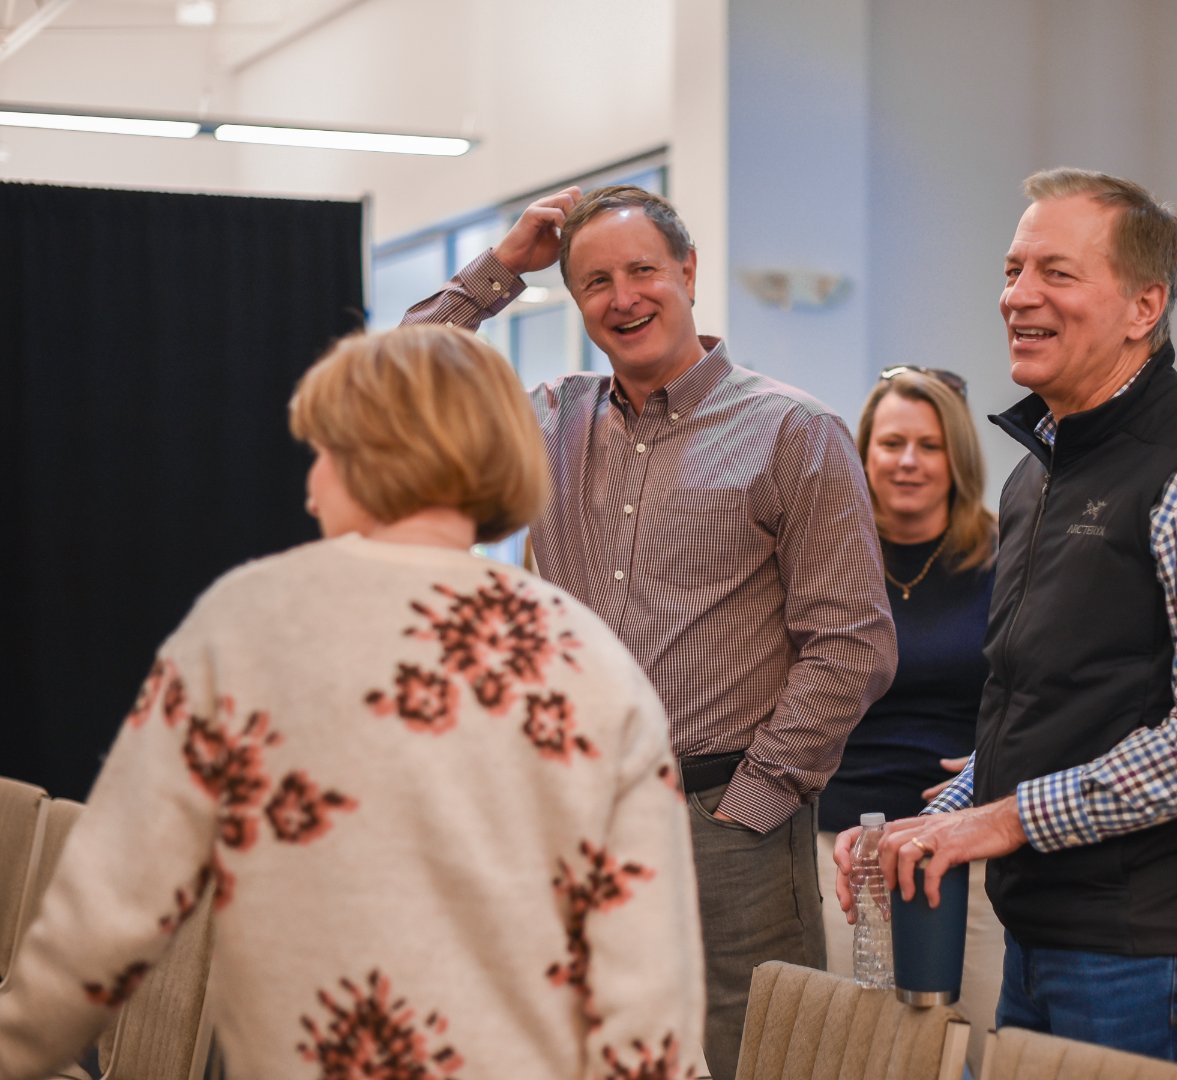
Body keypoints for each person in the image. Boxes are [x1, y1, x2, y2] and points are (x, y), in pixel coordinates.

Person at [0, 324, 705, 1079]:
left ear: (371, 455)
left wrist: (18, 1048)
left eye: (324, 454)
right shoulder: (587, 655)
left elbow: (110, 906)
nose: (310, 489)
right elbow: (648, 977)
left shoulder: (249, 624)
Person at [403, 185, 897, 1080]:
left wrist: (750, 804)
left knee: (752, 1059)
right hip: (572, 817)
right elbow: (393, 393)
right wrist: (499, 271)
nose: (623, 298)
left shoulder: (795, 432)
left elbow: (851, 644)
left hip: (726, 821)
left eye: (642, 271)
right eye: (595, 282)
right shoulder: (548, 419)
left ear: (689, 273)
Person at [836, 168, 1177, 1077]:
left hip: (1158, 939)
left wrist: (1004, 822)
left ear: (1143, 305)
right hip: (1044, 921)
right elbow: (1055, 704)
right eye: (1012, 270)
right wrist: (942, 815)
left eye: (1055, 272)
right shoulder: (1034, 476)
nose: (1017, 296)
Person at [814, 364, 1003, 1074]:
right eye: (891, 443)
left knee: (977, 1042)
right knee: (864, 1051)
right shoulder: (828, 556)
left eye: (928, 445)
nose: (908, 462)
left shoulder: (1005, 557)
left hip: (966, 842)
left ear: (958, 457)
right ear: (864, 454)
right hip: (848, 840)